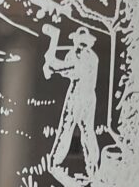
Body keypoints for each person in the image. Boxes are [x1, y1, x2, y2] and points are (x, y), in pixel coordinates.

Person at [42, 22, 101, 177]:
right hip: (78, 94)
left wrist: (52, 64)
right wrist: (53, 66)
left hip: (83, 96)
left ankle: (90, 165)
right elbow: (64, 71)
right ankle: (58, 162)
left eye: (83, 41)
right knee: (76, 130)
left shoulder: (90, 59)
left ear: (88, 42)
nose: (80, 44)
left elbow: (64, 68)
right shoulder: (74, 54)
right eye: (79, 41)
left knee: (74, 129)